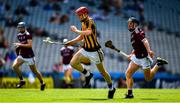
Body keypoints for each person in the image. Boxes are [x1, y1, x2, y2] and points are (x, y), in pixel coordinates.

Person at [65, 6, 115, 99]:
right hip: (85, 49)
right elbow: (81, 37)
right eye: (78, 15)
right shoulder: (83, 23)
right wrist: (71, 42)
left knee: (103, 72)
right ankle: (88, 75)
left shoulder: (90, 21)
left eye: (80, 15)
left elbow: (88, 32)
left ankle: (111, 88)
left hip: (95, 51)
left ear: (85, 14)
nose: (79, 17)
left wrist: (76, 30)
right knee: (73, 63)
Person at [125, 17, 168, 98]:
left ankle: (158, 64)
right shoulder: (133, 34)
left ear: (135, 24)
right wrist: (132, 54)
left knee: (148, 78)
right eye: (129, 24)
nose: (129, 25)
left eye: (131, 24)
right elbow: (137, 46)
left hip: (144, 58)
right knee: (128, 74)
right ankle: (130, 94)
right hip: (136, 57)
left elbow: (145, 41)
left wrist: (149, 51)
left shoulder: (137, 31)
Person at [12, 22, 46, 90]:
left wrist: (20, 45)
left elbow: (29, 45)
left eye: (21, 27)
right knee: (14, 66)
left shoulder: (28, 35)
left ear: (24, 27)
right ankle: (22, 81)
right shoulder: (18, 35)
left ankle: (42, 83)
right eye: (19, 27)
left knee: (34, 71)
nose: (20, 29)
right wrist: (18, 51)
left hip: (29, 56)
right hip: (22, 55)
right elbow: (20, 45)